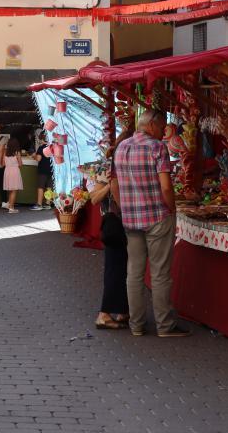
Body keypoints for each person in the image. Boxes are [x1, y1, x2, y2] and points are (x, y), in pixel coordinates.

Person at [112, 111, 189, 339]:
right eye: (163, 127)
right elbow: (166, 186)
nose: (164, 132)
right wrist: (172, 208)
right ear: (152, 125)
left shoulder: (121, 147)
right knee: (160, 273)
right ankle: (165, 325)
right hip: (157, 216)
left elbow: (113, 184)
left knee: (134, 273)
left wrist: (124, 207)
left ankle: (136, 325)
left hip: (131, 219)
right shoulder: (156, 147)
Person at [94, 126, 133, 329]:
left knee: (125, 268)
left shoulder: (126, 164)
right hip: (115, 223)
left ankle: (123, 311)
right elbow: (94, 198)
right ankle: (104, 314)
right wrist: (110, 186)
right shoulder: (107, 168)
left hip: (124, 222)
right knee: (115, 268)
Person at [2, 138, 24, 213]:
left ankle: (9, 205)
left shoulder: (5, 152)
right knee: (14, 190)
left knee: (10, 189)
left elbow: (3, 163)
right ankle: (11, 208)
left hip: (7, 171)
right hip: (15, 171)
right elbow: (20, 164)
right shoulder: (17, 152)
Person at [31, 138, 54, 210]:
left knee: (41, 187)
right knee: (49, 187)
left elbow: (38, 159)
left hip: (43, 169)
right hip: (52, 169)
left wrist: (34, 156)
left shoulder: (41, 147)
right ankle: (48, 203)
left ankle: (39, 204)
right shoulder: (53, 146)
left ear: (42, 139)